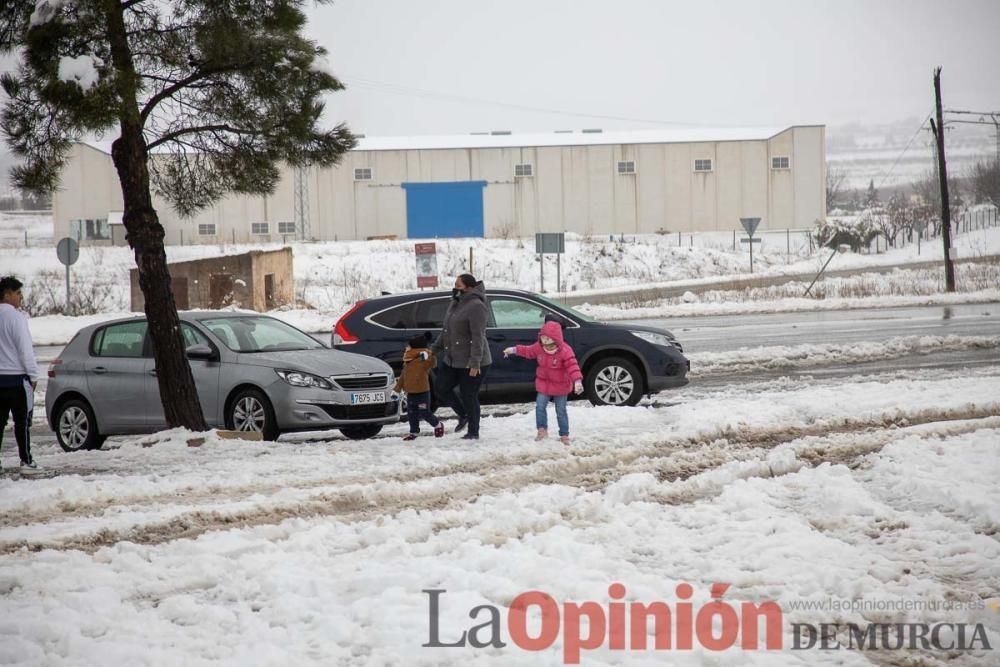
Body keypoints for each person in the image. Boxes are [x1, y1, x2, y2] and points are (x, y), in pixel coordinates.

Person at [430, 273, 491, 440]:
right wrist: (433, 350)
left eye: (459, 285)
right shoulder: (455, 302)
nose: (455, 288)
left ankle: (473, 431)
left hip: (473, 361)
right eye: (455, 284)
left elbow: (478, 336)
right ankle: (463, 414)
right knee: (441, 388)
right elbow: (446, 331)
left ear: (469, 288)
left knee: (469, 395)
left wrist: (475, 363)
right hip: (452, 358)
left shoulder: (477, 306)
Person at [503, 320, 583, 445]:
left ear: (556, 340)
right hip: (544, 383)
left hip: (561, 384)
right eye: (543, 339)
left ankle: (564, 434)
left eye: (549, 341)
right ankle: (542, 429)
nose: (545, 344)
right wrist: (514, 350)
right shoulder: (539, 347)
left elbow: (572, 366)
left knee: (560, 411)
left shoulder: (565, 351)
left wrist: (577, 381)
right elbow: (528, 351)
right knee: (540, 407)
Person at [0, 276, 41, 473]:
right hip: (17, 379)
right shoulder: (16, 318)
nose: (21, 297)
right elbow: (25, 350)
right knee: (22, 422)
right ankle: (26, 460)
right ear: (7, 295)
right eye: (17, 293)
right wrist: (33, 376)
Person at [393, 333, 444, 441]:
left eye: (409, 347)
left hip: (422, 392)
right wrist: (396, 390)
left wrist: (428, 357)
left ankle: (438, 425)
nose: (407, 348)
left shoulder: (423, 361)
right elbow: (402, 377)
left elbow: (433, 363)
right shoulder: (407, 362)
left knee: (425, 412)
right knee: (411, 414)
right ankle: (414, 432)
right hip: (411, 393)